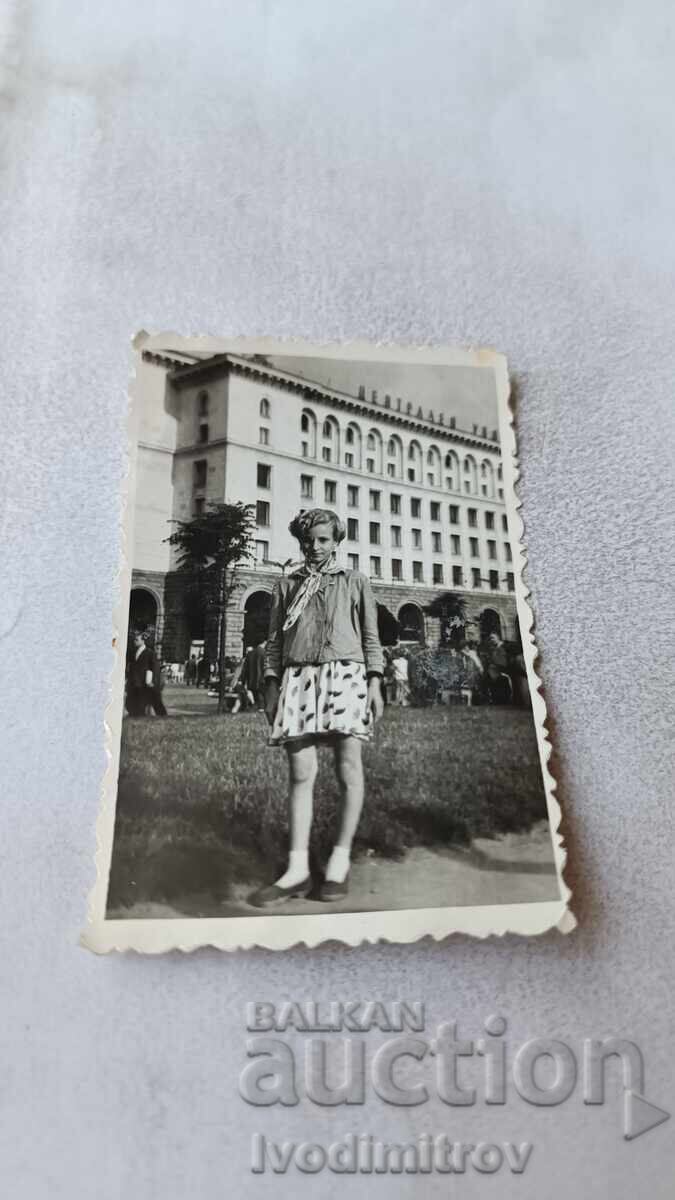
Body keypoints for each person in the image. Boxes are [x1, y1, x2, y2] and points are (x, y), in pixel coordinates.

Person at [249, 508, 384, 907]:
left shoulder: (355, 581)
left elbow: (371, 637)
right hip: (299, 679)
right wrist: (271, 686)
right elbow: (274, 641)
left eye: (324, 539)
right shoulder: (286, 586)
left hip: (346, 675)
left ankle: (339, 862)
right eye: (309, 540)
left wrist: (375, 682)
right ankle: (297, 869)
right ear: (300, 542)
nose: (315, 547)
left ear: (336, 541)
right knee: (300, 771)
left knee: (348, 767)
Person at [126, 631, 167, 717]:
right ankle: (136, 715)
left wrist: (153, 682)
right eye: (134, 640)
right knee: (132, 702)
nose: (134, 641)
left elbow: (155, 668)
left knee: (155, 701)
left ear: (143, 641)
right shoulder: (133, 653)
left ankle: (162, 716)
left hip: (145, 683)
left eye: (137, 640)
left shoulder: (150, 653)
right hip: (134, 682)